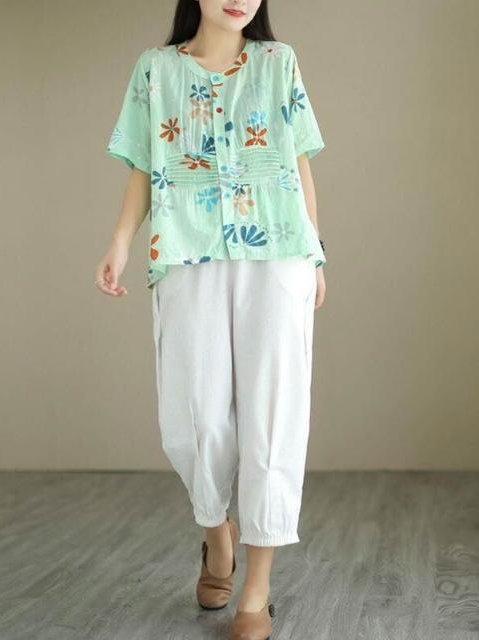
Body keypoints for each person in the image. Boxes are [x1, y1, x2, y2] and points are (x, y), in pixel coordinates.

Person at [96, 1, 327, 638]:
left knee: (273, 417)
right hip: (185, 249)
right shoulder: (156, 70)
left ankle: (257, 590)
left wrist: (316, 253)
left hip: (278, 253)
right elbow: (144, 164)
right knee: (193, 417)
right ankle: (216, 532)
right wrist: (119, 242)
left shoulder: (279, 63)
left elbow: (298, 160)